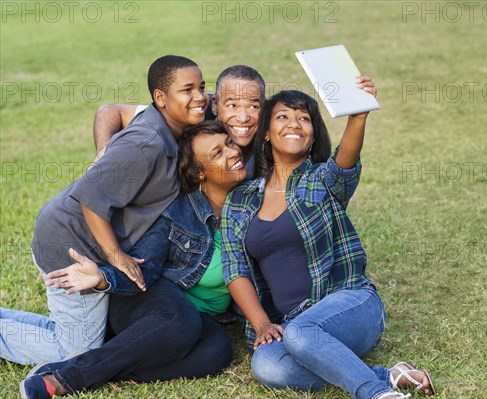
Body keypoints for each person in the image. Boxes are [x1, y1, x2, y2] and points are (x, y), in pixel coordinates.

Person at [221, 77, 437, 399]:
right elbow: (235, 267)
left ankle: (375, 393)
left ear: (312, 134)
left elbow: (345, 160)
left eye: (304, 118)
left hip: (351, 304)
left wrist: (358, 116)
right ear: (265, 132)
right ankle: (388, 375)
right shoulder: (240, 199)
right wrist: (263, 324)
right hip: (291, 322)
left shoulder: (321, 181)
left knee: (300, 334)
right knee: (267, 365)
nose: (295, 124)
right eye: (283, 117)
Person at [0, 55, 208, 366]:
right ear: (160, 98)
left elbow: (110, 110)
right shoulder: (146, 143)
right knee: (75, 352)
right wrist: (115, 256)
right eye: (187, 89)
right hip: (70, 244)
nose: (200, 97)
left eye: (203, 87)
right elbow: (91, 199)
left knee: (75, 337)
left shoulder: (164, 124)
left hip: (80, 240)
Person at [19, 121, 246, 398]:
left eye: (230, 144)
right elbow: (145, 269)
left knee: (217, 351)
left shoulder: (250, 203)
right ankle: (61, 379)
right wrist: (103, 279)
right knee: (180, 321)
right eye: (218, 153)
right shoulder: (177, 212)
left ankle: (106, 362)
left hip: (199, 316)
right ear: (199, 173)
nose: (233, 153)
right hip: (146, 299)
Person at [93, 65, 264, 177]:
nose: (243, 118)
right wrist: (103, 152)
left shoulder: (271, 131)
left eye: (253, 106)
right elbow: (109, 112)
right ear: (215, 106)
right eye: (232, 105)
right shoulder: (196, 112)